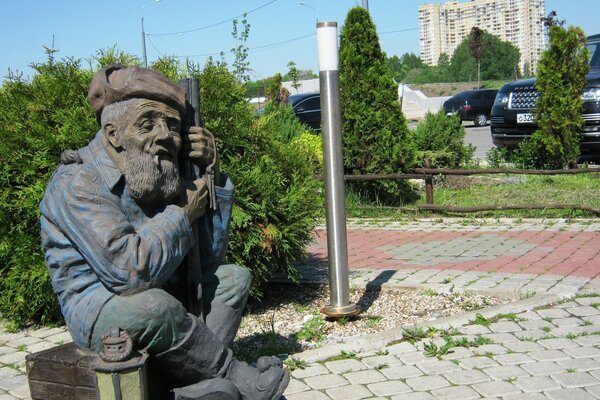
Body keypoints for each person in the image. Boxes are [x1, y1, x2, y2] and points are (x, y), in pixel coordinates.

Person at [39, 65, 288, 400]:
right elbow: (130, 271)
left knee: (233, 280)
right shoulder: (78, 182)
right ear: (113, 133)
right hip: (99, 308)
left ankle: (193, 386)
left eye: (172, 125)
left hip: (155, 292)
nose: (165, 136)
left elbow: (209, 257)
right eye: (148, 123)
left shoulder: (154, 172)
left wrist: (210, 176)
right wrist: (183, 212)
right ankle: (230, 374)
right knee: (156, 307)